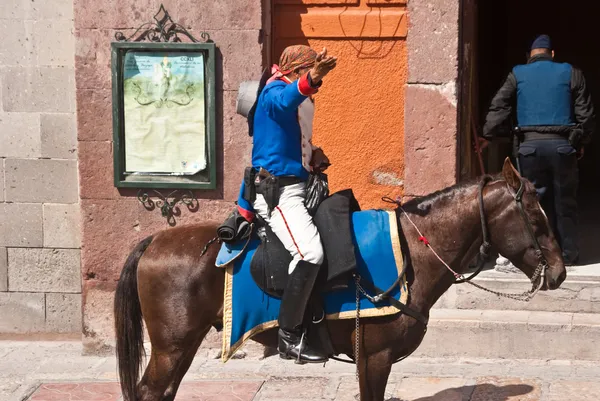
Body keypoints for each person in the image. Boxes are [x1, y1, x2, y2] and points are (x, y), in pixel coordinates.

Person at [236, 45, 337, 363]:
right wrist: (312, 78)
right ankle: (289, 338)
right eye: (306, 70)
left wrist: (312, 155)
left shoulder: (293, 97)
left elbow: (291, 139)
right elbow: (284, 102)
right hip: (278, 195)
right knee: (311, 252)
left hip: (297, 186)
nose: (311, 78)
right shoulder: (274, 92)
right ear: (296, 70)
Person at [480, 35, 596, 266]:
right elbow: (587, 115)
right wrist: (580, 142)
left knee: (533, 202)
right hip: (563, 147)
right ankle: (569, 255)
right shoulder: (572, 73)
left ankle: (539, 255)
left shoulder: (517, 74)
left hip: (529, 148)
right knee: (565, 202)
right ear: (552, 54)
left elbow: (499, 105)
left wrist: (487, 136)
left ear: (529, 56)